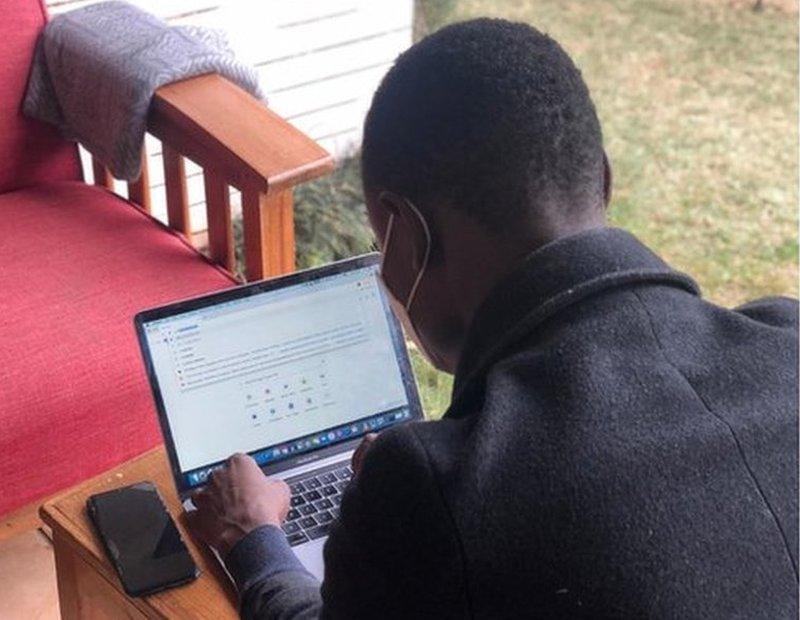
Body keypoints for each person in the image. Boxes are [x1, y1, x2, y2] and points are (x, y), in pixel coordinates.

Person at [188, 18, 799, 619]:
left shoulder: (437, 488)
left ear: (409, 240)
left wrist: (255, 538)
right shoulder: (788, 340)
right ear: (604, 182)